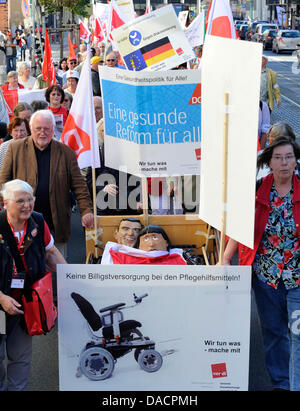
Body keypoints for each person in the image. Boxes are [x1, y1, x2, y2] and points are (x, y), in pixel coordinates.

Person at [221, 137, 300, 391]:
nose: (285, 162)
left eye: (289, 157)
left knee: (297, 334)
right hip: (266, 278)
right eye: (279, 157)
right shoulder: (257, 190)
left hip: (297, 277)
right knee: (274, 333)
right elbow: (239, 226)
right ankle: (281, 384)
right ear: (269, 162)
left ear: (295, 161)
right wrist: (225, 257)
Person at [0, 179, 66, 391]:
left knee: (20, 356)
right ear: (5, 203)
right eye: (20, 201)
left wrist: (73, 278)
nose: (27, 205)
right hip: (0, 306)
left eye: (30, 200)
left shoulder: (38, 221)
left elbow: (51, 253)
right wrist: (1, 298)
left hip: (25, 304)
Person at [0, 110, 94, 258]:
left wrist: (86, 211)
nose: (42, 133)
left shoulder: (66, 153)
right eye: (38, 128)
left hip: (56, 222)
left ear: (52, 130)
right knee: (25, 268)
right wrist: (4, 209)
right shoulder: (15, 148)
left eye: (47, 129)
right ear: (31, 129)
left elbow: (79, 186)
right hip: (22, 221)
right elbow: (3, 182)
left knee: (58, 269)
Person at [85, 118, 142, 216]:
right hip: (104, 206)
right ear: (100, 133)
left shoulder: (129, 151)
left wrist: (138, 200)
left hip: (128, 206)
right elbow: (90, 180)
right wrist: (103, 188)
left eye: (110, 131)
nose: (106, 134)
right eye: (103, 131)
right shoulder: (96, 154)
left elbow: (137, 178)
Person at [101, 224, 187, 264]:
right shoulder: (124, 259)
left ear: (166, 242)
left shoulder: (177, 257)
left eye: (155, 237)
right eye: (146, 239)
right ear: (138, 246)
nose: (151, 244)